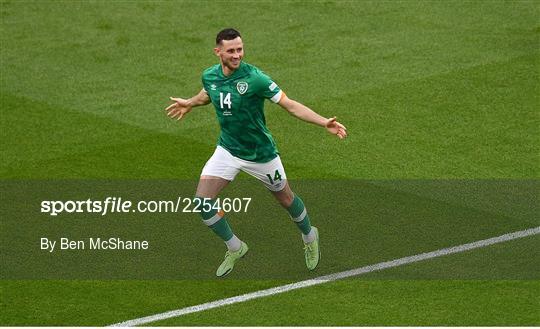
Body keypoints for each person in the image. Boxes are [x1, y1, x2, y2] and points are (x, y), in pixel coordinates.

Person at [165, 28, 347, 277]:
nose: (237, 55)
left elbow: (290, 105)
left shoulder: (256, 79)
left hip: (261, 154)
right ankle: (235, 247)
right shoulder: (209, 76)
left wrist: (323, 121)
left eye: (240, 49)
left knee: (286, 199)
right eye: (231, 51)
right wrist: (190, 102)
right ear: (218, 52)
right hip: (228, 150)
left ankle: (309, 234)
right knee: (202, 202)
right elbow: (209, 94)